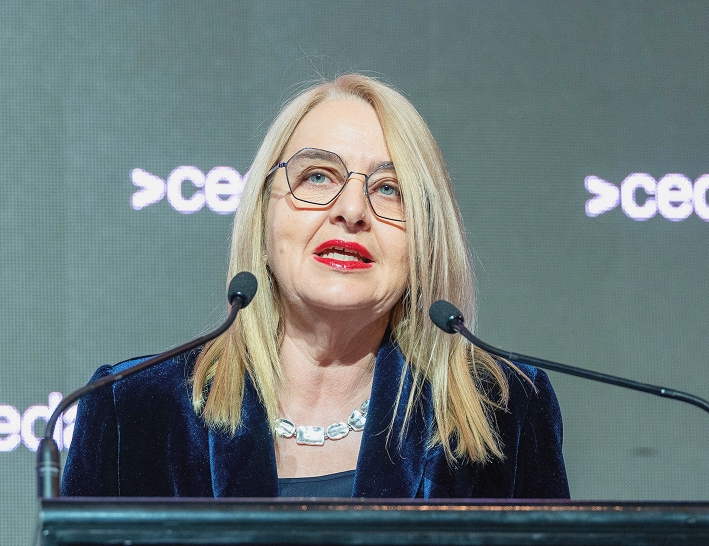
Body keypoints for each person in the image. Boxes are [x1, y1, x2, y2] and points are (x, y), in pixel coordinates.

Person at [62, 74, 569, 499]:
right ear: (264, 216)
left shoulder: (503, 412)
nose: (351, 211)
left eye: (389, 189)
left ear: (426, 240)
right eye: (318, 177)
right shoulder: (133, 410)